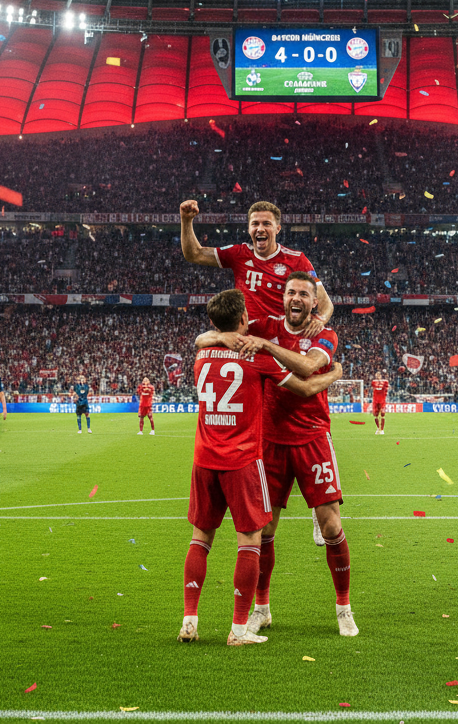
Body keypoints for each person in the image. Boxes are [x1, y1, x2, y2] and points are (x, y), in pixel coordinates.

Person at [196, 271, 358, 638]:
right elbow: (205, 337)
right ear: (282, 298)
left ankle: (344, 607)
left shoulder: (323, 334)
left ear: (314, 302)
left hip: (313, 437)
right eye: (290, 292)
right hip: (267, 443)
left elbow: (308, 368)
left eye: (304, 293)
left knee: (331, 523)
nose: (296, 298)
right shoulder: (264, 324)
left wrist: (266, 347)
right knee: (264, 530)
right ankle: (262, 609)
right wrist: (220, 335)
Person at [179, 198, 334, 336]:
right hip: (247, 342)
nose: (260, 229)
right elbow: (194, 254)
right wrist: (186, 221)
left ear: (277, 229)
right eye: (255, 224)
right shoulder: (239, 254)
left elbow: (325, 303)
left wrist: (320, 320)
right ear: (249, 229)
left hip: (282, 343)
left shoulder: (296, 260)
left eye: (267, 224)